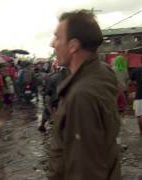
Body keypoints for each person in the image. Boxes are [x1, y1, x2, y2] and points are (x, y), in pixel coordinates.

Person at [48, 10, 121, 180]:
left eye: (57, 37)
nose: (53, 44)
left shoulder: (82, 96)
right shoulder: (102, 71)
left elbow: (85, 171)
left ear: (73, 46)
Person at [38, 67, 68, 132]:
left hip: (52, 98)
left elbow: (47, 90)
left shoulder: (53, 76)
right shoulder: (68, 77)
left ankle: (42, 125)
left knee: (47, 110)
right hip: (61, 99)